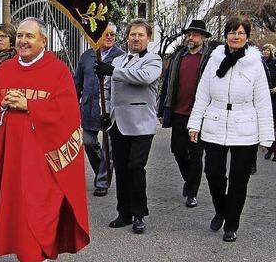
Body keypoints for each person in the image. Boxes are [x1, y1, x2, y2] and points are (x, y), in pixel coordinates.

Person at [0, 17, 90, 262]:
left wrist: (29, 105)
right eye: (20, 37)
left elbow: (66, 112)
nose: (23, 42)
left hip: (42, 159)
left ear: (43, 41)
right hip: (12, 158)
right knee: (18, 211)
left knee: (38, 211)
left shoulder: (58, 71)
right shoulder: (5, 71)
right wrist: (0, 104)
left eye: (30, 37)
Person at [188, 16, 273, 242]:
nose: (236, 36)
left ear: (247, 37)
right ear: (226, 35)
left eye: (241, 33)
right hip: (215, 122)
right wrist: (195, 123)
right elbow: (202, 94)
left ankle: (231, 223)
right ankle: (221, 210)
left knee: (239, 180)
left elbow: (263, 101)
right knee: (213, 174)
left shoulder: (255, 64)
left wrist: (266, 137)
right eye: (232, 32)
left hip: (245, 126)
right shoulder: (214, 60)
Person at [94, 18, 162, 234]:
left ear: (148, 38)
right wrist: (104, 111)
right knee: (121, 169)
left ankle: (139, 213)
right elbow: (106, 88)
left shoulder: (154, 60)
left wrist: (112, 71)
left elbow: (143, 77)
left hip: (142, 124)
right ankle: (124, 212)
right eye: (133, 34)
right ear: (127, 37)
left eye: (141, 35)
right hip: (117, 122)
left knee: (135, 167)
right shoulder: (119, 60)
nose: (136, 38)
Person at [158, 19, 212, 208]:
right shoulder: (178, 56)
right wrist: (162, 108)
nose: (191, 37)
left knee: (196, 154)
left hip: (199, 115)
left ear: (203, 38)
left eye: (195, 34)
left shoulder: (209, 58)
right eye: (189, 34)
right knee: (177, 150)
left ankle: (192, 192)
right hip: (179, 111)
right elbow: (167, 83)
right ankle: (190, 180)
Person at [73, 22, 124, 197]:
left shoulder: (121, 57)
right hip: (88, 107)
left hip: (109, 109)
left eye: (112, 35)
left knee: (108, 147)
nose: (109, 37)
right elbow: (77, 82)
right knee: (88, 142)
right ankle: (101, 172)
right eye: (106, 34)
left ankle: (102, 182)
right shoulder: (87, 56)